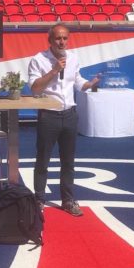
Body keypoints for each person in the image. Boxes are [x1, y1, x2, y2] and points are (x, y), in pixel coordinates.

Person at [28, 23, 100, 217]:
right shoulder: (38, 60)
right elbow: (35, 89)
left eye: (65, 38)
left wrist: (89, 84)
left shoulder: (74, 58)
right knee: (43, 160)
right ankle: (39, 199)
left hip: (69, 115)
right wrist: (53, 70)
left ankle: (67, 199)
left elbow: (76, 81)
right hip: (48, 115)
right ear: (50, 40)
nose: (62, 42)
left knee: (68, 162)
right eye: (58, 38)